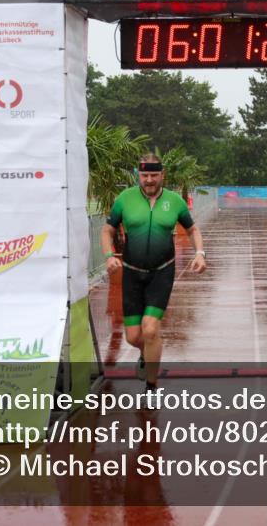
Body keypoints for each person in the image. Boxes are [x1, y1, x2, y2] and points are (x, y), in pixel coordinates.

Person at [101, 153, 206, 397]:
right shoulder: (124, 199)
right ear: (139, 174)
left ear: (162, 175)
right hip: (132, 273)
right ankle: (146, 353)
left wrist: (200, 252)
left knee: (150, 329)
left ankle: (151, 386)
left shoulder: (174, 202)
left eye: (154, 175)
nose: (149, 180)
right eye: (145, 175)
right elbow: (107, 231)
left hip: (162, 272)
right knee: (133, 336)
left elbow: (193, 229)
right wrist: (108, 256)